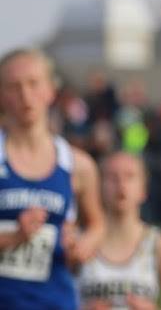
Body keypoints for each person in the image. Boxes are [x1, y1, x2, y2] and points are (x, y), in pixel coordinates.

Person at [0, 48, 105, 310]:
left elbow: (97, 224)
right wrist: (12, 238)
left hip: (56, 301)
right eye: (13, 86)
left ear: (51, 91)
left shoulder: (78, 165)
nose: (25, 95)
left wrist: (83, 245)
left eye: (33, 84)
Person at [77, 152, 161, 310]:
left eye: (130, 176)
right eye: (112, 177)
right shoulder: (81, 241)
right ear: (98, 187)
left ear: (143, 189)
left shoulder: (157, 243)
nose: (121, 184)